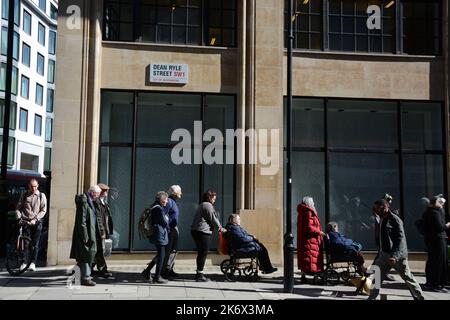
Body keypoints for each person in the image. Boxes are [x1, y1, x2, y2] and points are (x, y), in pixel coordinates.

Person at [365, 199, 425, 300]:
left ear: (384, 208)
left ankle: (420, 298)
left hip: (396, 256)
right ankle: (372, 298)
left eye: (377, 208)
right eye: (374, 208)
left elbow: (401, 240)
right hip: (384, 255)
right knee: (377, 278)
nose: (375, 210)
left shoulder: (395, 219)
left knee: (408, 278)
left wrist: (395, 256)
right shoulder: (381, 217)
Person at [142, 185, 182, 280]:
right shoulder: (168, 203)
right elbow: (162, 217)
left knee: (166, 252)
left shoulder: (172, 202)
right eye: (179, 191)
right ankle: (158, 273)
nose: (181, 193)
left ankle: (161, 271)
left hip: (168, 230)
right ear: (174, 193)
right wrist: (168, 227)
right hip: (166, 231)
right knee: (163, 253)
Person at [191, 190, 226, 282]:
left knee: (201, 253)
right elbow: (213, 218)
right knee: (203, 253)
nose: (215, 200)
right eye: (214, 198)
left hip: (197, 231)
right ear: (209, 197)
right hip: (202, 232)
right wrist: (220, 228)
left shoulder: (202, 204)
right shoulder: (207, 205)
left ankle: (199, 273)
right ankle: (200, 275)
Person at [70, 185, 101, 286]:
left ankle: (77, 275)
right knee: (86, 254)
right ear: (93, 193)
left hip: (89, 232)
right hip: (85, 234)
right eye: (98, 194)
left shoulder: (89, 201)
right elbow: (82, 221)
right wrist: (85, 236)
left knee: (84, 255)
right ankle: (86, 278)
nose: (98, 196)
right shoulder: (84, 202)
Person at [15, 179, 47, 272]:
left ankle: (33, 263)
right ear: (29, 186)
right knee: (25, 244)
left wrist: (35, 220)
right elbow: (18, 208)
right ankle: (23, 263)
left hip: (36, 223)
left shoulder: (41, 196)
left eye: (35, 186)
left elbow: (43, 210)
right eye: (32, 186)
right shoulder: (24, 195)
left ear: (38, 186)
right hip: (25, 222)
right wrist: (19, 218)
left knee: (35, 244)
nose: (33, 188)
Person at [422, 195, 450, 292]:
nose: (442, 204)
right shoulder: (434, 213)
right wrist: (447, 225)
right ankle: (437, 284)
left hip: (432, 240)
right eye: (440, 202)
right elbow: (439, 227)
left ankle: (432, 283)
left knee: (433, 261)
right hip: (438, 240)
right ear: (434, 203)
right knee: (438, 262)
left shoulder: (429, 212)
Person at [297, 196, 324, 279]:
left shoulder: (302, 212)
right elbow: (309, 227)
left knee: (306, 258)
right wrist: (319, 232)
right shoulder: (308, 212)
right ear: (309, 203)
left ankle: (303, 275)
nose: (314, 203)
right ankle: (315, 275)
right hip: (311, 240)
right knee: (312, 258)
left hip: (305, 239)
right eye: (312, 202)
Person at [92, 183, 114, 278]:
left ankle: (88, 268)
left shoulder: (104, 203)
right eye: (105, 191)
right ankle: (102, 269)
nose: (107, 193)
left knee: (98, 251)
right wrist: (102, 232)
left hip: (102, 230)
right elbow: (99, 219)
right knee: (99, 250)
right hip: (98, 232)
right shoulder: (97, 202)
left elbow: (107, 218)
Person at [149, 191, 170, 284]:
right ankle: (157, 277)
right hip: (159, 234)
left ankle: (146, 272)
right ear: (161, 200)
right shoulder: (158, 209)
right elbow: (163, 222)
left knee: (160, 254)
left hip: (158, 234)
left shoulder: (155, 206)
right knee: (161, 255)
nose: (167, 202)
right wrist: (167, 222)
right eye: (166, 200)